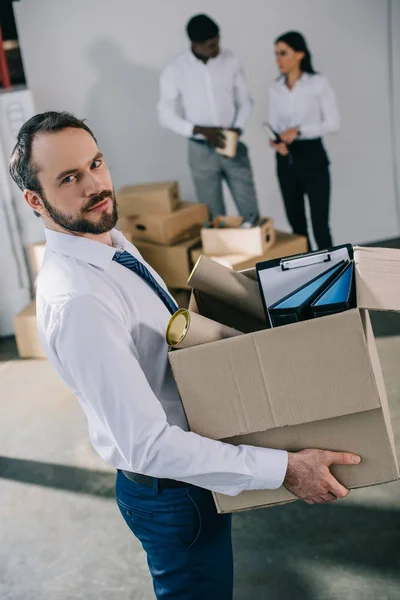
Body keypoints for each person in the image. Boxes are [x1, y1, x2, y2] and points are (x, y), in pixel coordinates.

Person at [9, 111, 360, 600]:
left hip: (189, 473)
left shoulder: (106, 239)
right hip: (172, 492)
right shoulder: (80, 302)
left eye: (96, 163)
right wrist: (285, 469)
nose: (95, 185)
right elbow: (147, 445)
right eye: (69, 178)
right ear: (35, 200)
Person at [158, 14, 259, 220]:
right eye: (212, 45)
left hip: (232, 144)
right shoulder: (176, 69)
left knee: (251, 213)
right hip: (200, 150)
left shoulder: (231, 60)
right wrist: (198, 130)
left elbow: (245, 101)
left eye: (218, 42)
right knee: (214, 218)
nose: (217, 49)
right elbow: (164, 113)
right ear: (195, 45)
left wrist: (237, 129)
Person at [268, 31, 340, 250]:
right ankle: (309, 277)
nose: (278, 59)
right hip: (286, 160)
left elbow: (333, 123)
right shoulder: (275, 87)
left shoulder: (317, 83)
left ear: (299, 54)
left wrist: (299, 131)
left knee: (320, 226)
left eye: (283, 53)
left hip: (313, 157)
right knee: (297, 227)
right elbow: (275, 125)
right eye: (276, 54)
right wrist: (275, 141)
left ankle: (336, 274)